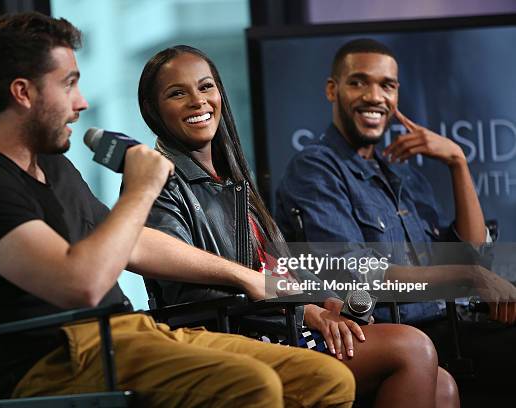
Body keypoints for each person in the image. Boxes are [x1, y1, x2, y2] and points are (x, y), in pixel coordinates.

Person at [0, 13, 357, 407]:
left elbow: (135, 242)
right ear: (22, 92)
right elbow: (81, 284)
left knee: (325, 378)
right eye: (68, 84)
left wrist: (246, 276)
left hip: (126, 334)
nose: (81, 103)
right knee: (253, 384)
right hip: (56, 363)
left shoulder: (53, 166)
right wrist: (140, 189)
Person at [139, 45, 459, 408]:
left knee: (443, 384)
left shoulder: (233, 181)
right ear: (152, 109)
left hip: (282, 325)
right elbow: (194, 289)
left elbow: (278, 272)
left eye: (206, 87)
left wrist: (323, 301)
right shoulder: (159, 179)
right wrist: (303, 309)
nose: (198, 101)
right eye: (177, 93)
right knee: (412, 348)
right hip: (240, 339)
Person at [274, 38, 515, 394]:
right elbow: (357, 275)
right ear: (332, 90)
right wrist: (469, 274)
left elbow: (472, 254)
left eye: (387, 85)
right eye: (358, 82)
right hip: (393, 332)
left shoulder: (402, 173)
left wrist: (457, 162)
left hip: (450, 322)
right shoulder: (315, 169)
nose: (374, 96)